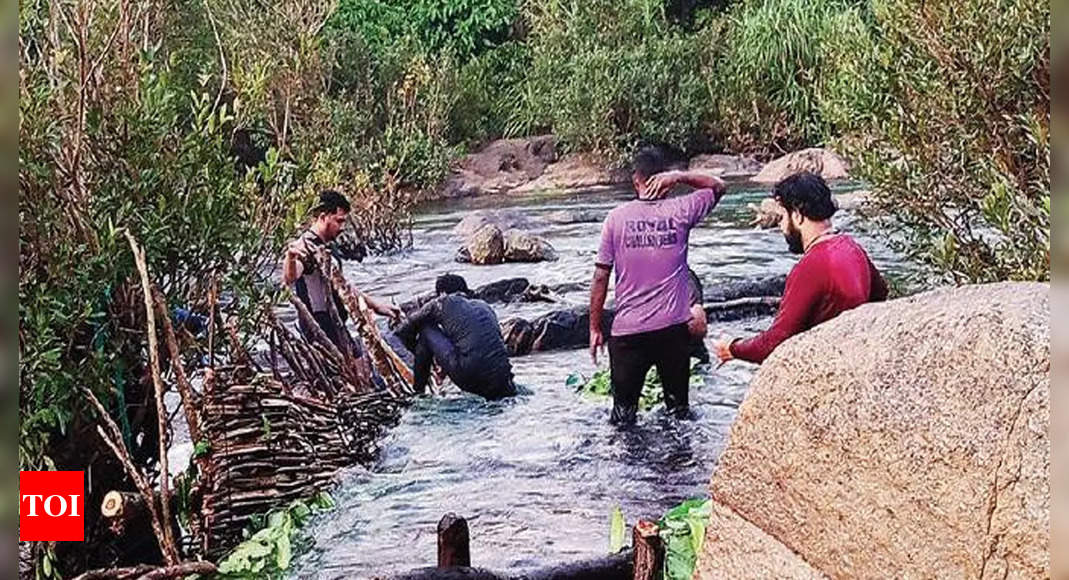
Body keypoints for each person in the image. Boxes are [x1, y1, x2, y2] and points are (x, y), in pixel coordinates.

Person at [589, 147, 727, 424]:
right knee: (679, 415)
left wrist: (594, 328)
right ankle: (681, 465)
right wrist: (678, 177)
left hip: (628, 336)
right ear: (662, 177)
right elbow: (718, 186)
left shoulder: (615, 218)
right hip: (672, 334)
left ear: (635, 180)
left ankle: (627, 468)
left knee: (623, 419)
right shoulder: (681, 210)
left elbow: (601, 276)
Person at [713, 172, 888, 364]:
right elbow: (880, 294)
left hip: (825, 367)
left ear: (797, 214)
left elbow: (774, 343)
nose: (782, 227)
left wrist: (733, 347)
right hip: (853, 356)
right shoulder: (852, 247)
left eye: (782, 218)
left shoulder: (811, 266)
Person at [282, 190, 401, 350]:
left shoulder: (326, 245)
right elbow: (291, 277)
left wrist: (376, 306)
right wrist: (290, 256)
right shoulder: (305, 246)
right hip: (320, 328)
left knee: (359, 365)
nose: (342, 227)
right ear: (323, 217)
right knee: (355, 368)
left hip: (335, 323)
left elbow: (343, 287)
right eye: (339, 221)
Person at [394, 274, 517, 400]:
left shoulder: (441, 302)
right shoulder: (484, 306)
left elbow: (402, 330)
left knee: (426, 329)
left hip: (471, 377)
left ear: (442, 293)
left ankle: (419, 393)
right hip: (504, 379)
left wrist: (418, 353)